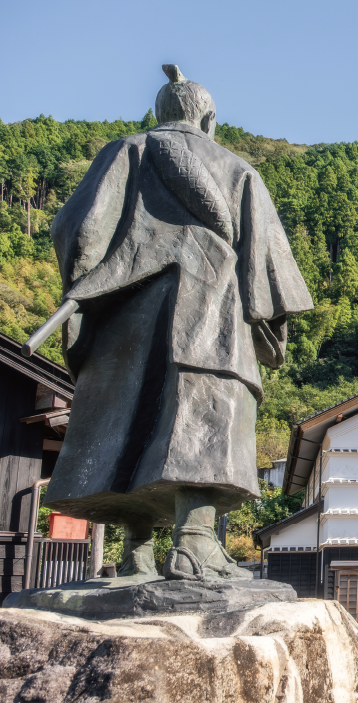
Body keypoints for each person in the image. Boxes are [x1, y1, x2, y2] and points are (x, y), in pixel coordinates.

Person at [43, 65, 313, 581]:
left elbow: (78, 231)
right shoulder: (238, 171)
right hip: (209, 309)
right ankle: (193, 541)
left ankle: (134, 549)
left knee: (129, 417)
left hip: (127, 313)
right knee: (204, 416)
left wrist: (86, 290)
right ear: (208, 120)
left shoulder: (125, 151)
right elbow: (267, 263)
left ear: (159, 114)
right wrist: (269, 326)